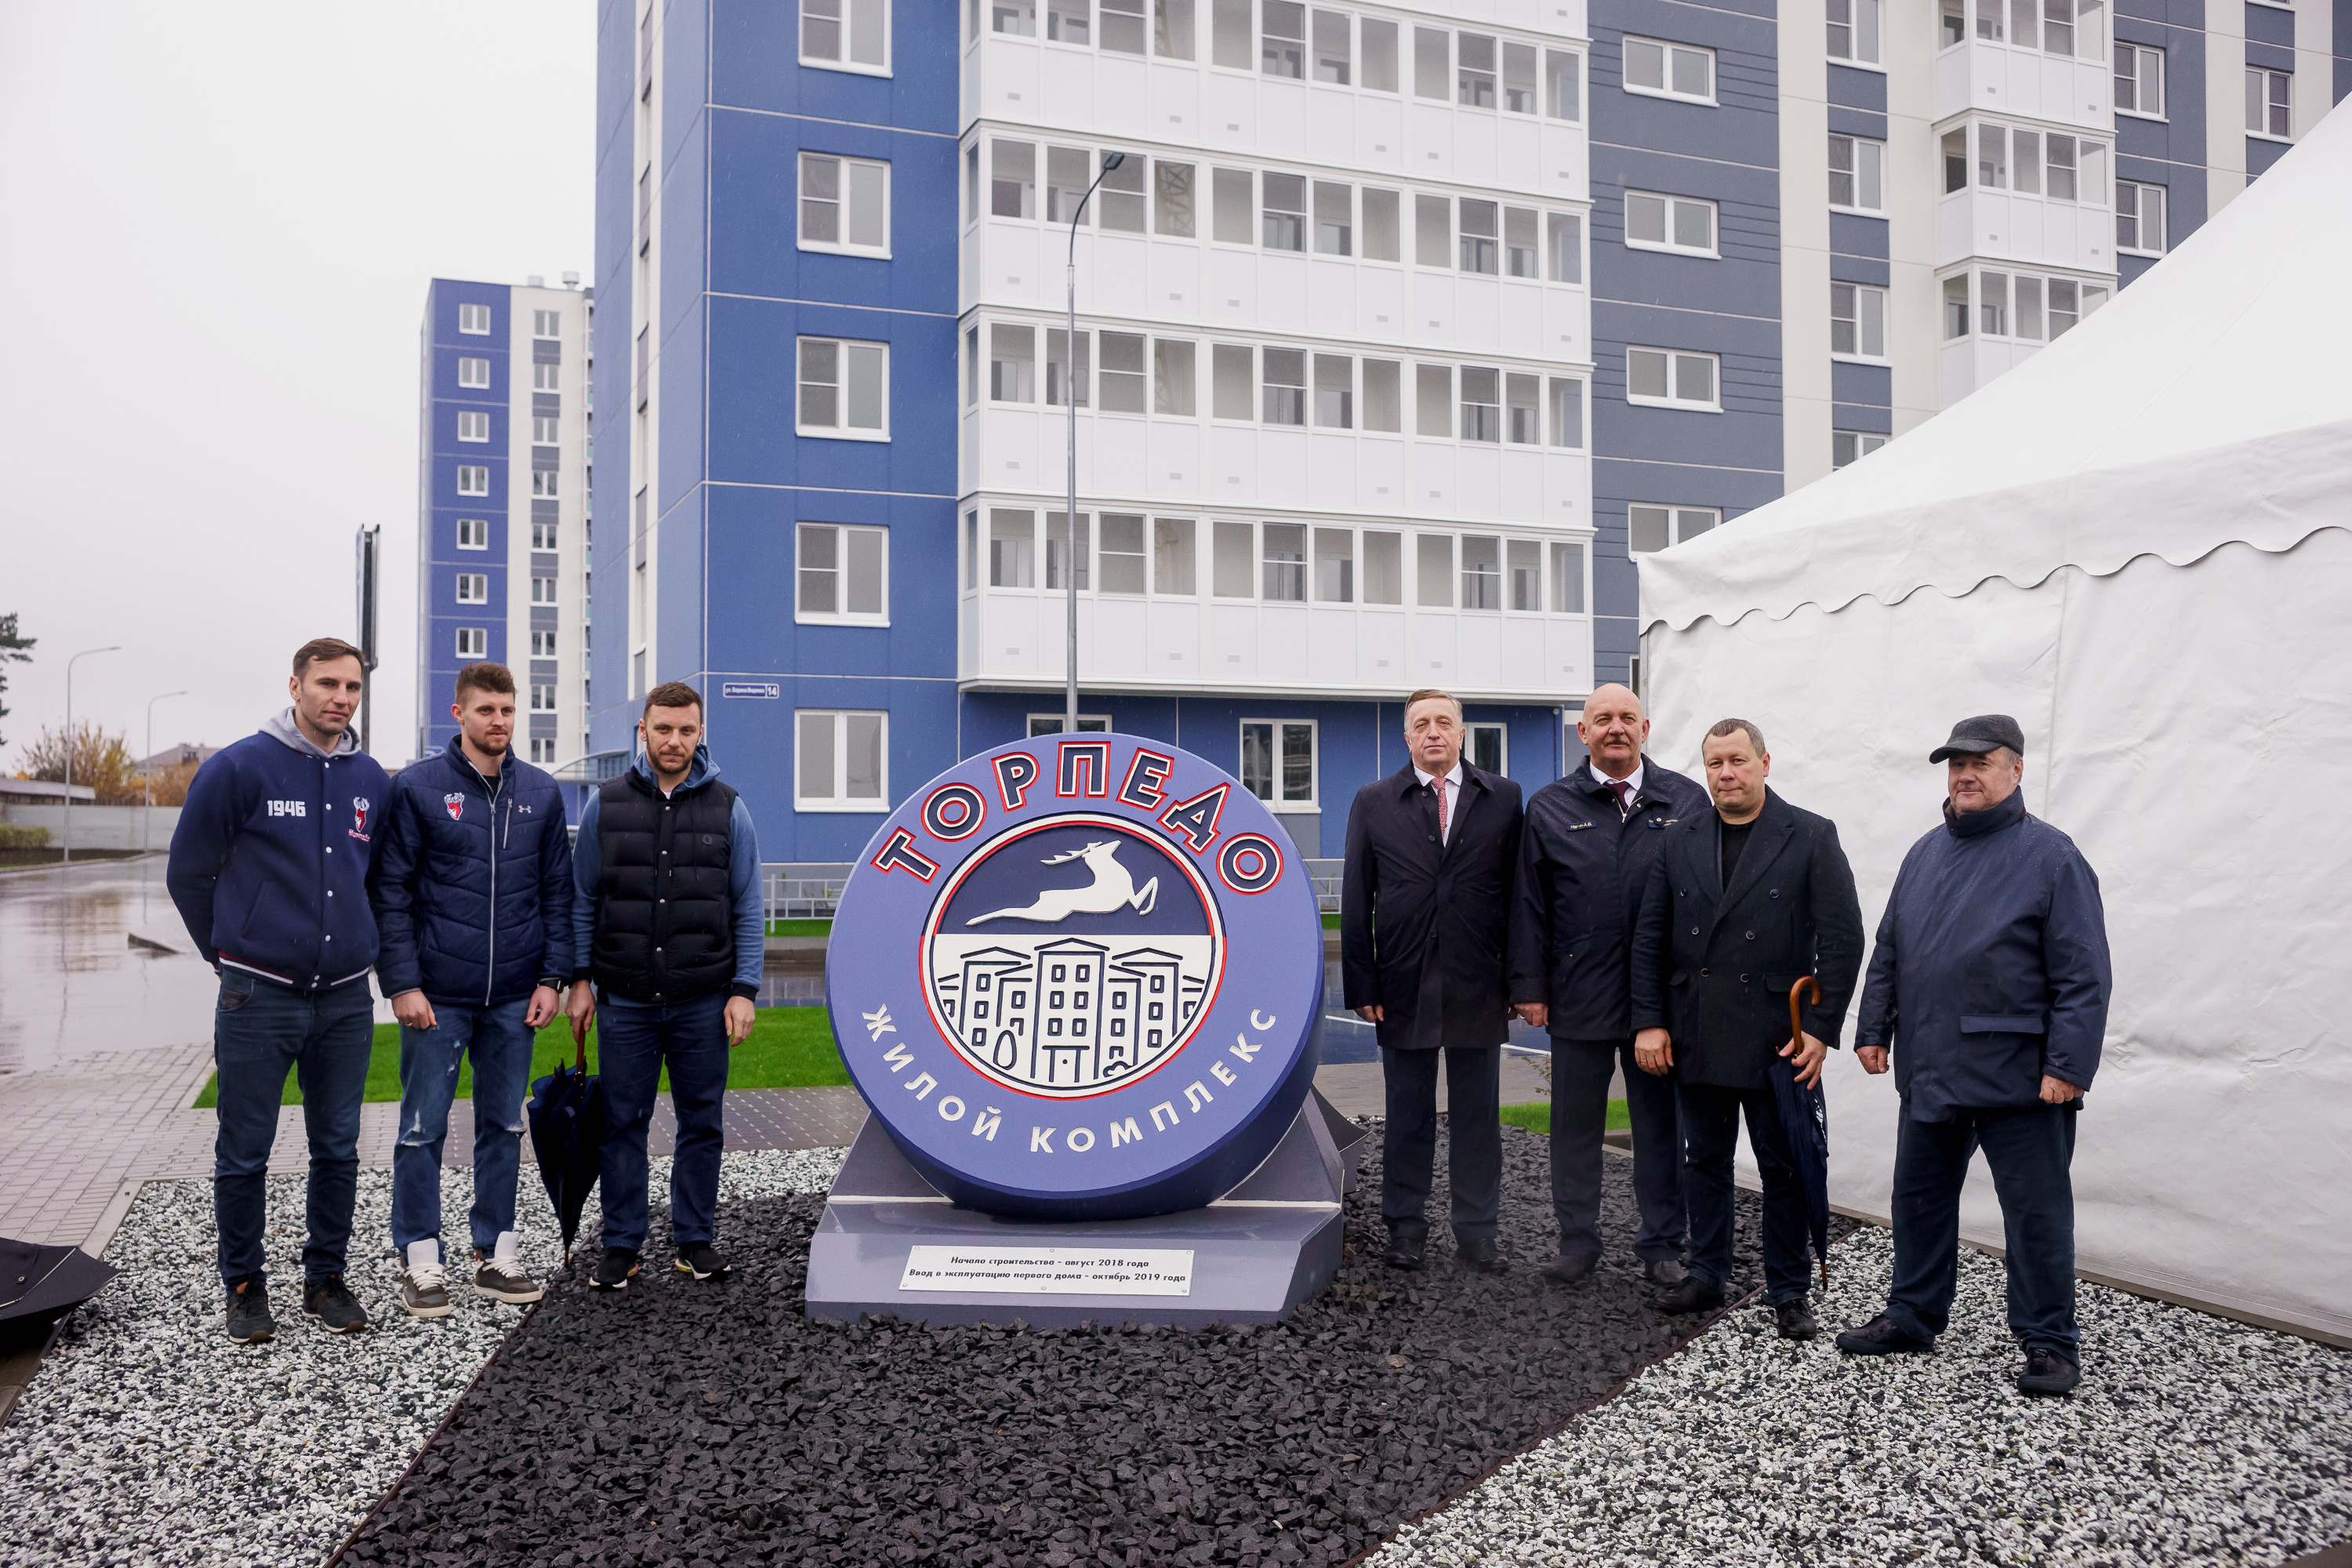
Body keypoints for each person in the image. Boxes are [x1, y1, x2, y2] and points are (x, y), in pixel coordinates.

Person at [1835, 716, 2111, 1396]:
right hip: (1931, 1066)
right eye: (1956, 763)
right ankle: (1912, 1315)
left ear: (2015, 771)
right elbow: (1891, 947)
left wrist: (2067, 1068)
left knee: (2037, 1213)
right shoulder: (1924, 853)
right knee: (1919, 1201)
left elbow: (2085, 974)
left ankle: (2050, 1343)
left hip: (2019, 1077)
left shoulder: (2053, 857)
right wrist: (1874, 1027)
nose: (1965, 774)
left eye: (1981, 763)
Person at [168, 637, 392, 1344]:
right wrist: (228, 954)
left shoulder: (371, 779)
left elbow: (380, 881)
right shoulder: (238, 768)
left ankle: (324, 1279)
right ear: (293, 686)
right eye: (327, 684)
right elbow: (188, 874)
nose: (341, 698)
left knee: (338, 1146)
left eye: (352, 687)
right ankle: (244, 1286)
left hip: (347, 1000)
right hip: (257, 997)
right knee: (245, 1150)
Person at [1631, 718, 1864, 1338]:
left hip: (1777, 1035)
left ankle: (1788, 1290)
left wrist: (1820, 1029)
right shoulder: (1678, 839)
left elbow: (1843, 940)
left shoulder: (1811, 834)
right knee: (1703, 1159)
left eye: (1737, 760)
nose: (1726, 774)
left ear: (1765, 762)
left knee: (1782, 1165)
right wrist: (1650, 1022)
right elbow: (1650, 939)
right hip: (1695, 1029)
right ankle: (1706, 1274)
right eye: (1715, 764)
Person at [371, 662, 578, 1318]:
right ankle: (422, 1260)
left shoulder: (541, 794)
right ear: (457, 713)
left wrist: (552, 978)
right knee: (421, 1129)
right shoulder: (417, 789)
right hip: (438, 994)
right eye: (485, 710)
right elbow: (392, 894)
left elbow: (557, 895)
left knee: (503, 1125)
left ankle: (496, 1252)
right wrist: (402, 982)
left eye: (507, 711)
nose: (498, 722)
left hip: (516, 995)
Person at [1508, 683, 1708, 1289]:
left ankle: (1662, 1245)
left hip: (1660, 1005)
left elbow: (1702, 902)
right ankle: (1577, 1243)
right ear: (1583, 733)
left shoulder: (1686, 800)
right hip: (1578, 996)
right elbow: (1529, 907)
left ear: (1646, 729)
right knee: (1574, 1130)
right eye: (1603, 719)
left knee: (1660, 1129)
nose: (1615, 727)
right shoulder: (1547, 807)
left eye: (1627, 717)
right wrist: (1530, 987)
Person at [566, 681, 762, 1291]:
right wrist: (579, 980)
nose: (674, 740)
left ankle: (693, 1240)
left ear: (700, 734)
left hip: (704, 1000)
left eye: (686, 730)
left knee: (702, 1123)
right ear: (643, 731)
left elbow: (747, 906)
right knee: (623, 1123)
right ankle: (621, 1244)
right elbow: (583, 899)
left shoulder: (730, 807)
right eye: (663, 729)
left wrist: (744, 989)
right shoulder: (606, 804)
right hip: (624, 1001)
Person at [1341, 689, 1524, 1273]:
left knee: (1478, 1117)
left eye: (1445, 722)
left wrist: (1521, 981)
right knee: (1408, 1114)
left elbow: (1522, 898)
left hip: (1479, 981)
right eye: (1422, 724)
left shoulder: (1503, 798)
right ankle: (1406, 1229)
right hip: (1402, 982)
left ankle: (1478, 1231)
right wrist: (1362, 985)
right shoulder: (1374, 802)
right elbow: (1354, 899)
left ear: (1463, 732)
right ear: (1407, 737)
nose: (1434, 732)